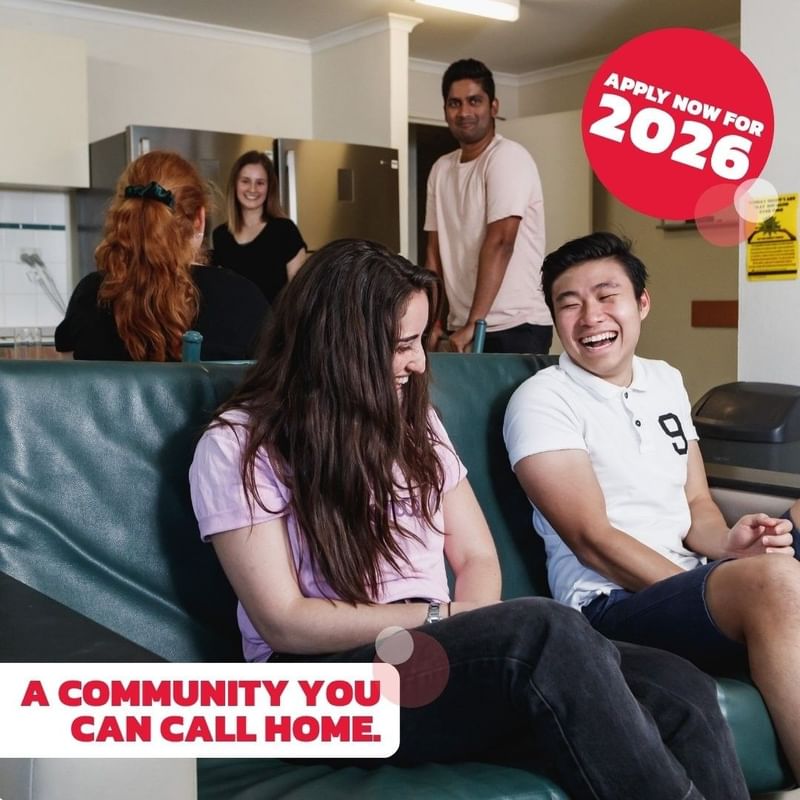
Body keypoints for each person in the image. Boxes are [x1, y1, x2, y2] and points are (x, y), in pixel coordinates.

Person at [189, 237, 748, 799]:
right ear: (342, 344)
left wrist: (468, 619)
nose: (417, 361)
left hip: (429, 654)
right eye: (401, 344)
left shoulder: (414, 421)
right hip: (327, 684)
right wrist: (444, 616)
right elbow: (283, 620)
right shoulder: (239, 444)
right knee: (544, 629)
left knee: (678, 687)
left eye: (420, 341)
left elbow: (476, 554)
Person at [503, 231, 800, 781]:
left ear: (641, 303)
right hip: (610, 606)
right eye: (569, 303)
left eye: (606, 295)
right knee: (777, 581)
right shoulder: (543, 399)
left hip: (690, 577)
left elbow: (695, 502)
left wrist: (730, 545)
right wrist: (719, 588)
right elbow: (593, 540)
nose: (590, 316)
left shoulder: (665, 380)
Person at [55, 150, 268, 361]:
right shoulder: (244, 298)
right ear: (199, 220)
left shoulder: (90, 295)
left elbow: (70, 386)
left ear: (124, 217)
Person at [424, 58, 551, 354]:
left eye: (474, 101)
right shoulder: (441, 169)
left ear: (493, 107)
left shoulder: (507, 157)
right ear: (445, 110)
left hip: (515, 325)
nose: (464, 112)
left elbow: (501, 242)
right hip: (463, 325)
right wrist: (433, 321)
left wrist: (474, 323)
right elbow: (433, 254)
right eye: (454, 103)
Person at [212, 150, 307, 306]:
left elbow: (301, 294)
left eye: (260, 182)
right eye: (245, 181)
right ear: (235, 184)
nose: (252, 189)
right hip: (235, 328)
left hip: (274, 329)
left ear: (269, 188)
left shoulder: (285, 231)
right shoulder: (221, 236)